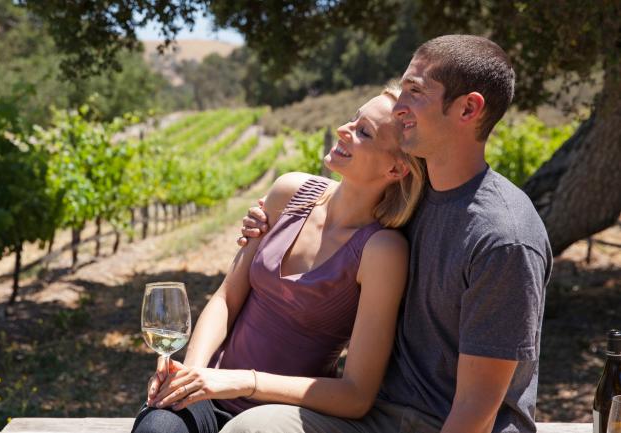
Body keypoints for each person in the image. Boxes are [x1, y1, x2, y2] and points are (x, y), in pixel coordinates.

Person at [230, 34, 552, 433]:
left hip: (446, 425)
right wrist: (268, 219)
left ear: (468, 108)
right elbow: (336, 215)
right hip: (378, 417)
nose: (398, 107)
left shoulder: (503, 237)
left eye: (414, 92)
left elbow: (476, 409)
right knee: (256, 427)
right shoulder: (412, 200)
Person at [131, 85, 427, 433]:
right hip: (210, 397)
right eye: (352, 119)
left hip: (284, 417)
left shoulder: (381, 251)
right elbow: (227, 298)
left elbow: (356, 396)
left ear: (397, 169)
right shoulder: (290, 192)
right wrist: (192, 378)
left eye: (364, 132)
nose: (342, 130)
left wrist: (243, 382)